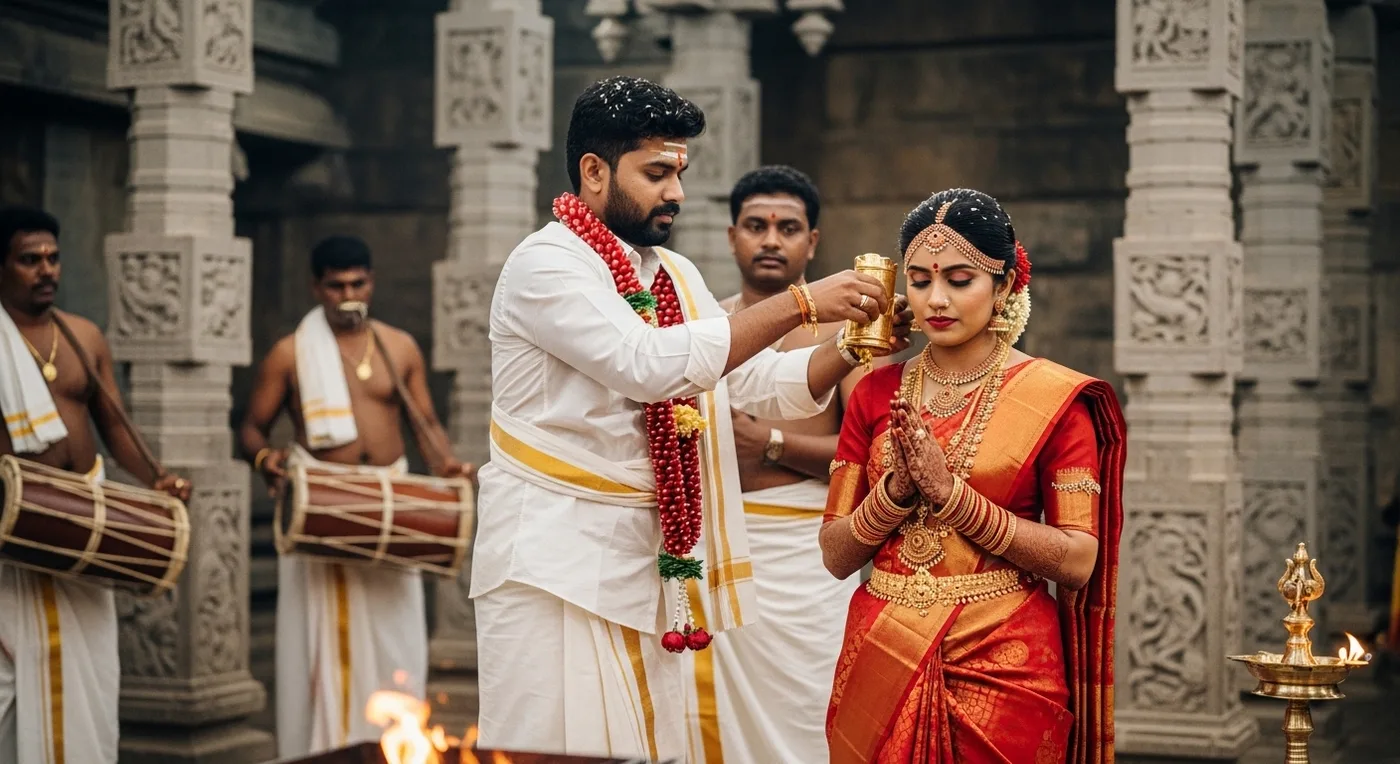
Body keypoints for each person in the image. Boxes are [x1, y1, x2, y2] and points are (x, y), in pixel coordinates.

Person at [472, 76, 910, 761]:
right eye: (656, 172)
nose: (676, 192)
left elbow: (755, 384)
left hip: (646, 564)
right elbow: (647, 363)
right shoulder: (545, 265)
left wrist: (850, 342)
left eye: (679, 171)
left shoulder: (669, 273)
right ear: (593, 171)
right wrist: (801, 304)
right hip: (552, 561)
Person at [819, 188, 1124, 763]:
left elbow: (1079, 561)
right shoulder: (875, 393)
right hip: (881, 648)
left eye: (960, 280)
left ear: (1005, 285)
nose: (937, 299)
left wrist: (952, 498)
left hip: (1004, 658)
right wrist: (896, 492)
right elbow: (835, 555)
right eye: (919, 280)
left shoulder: (1055, 401)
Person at [683, 165, 892, 764]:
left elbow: (876, 456)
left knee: (810, 706)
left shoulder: (849, 336)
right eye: (756, 225)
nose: (771, 239)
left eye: (787, 227)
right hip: (713, 544)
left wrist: (773, 443)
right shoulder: (707, 328)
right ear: (731, 237)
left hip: (806, 559)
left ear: (813, 242)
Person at [237, 235, 474, 758]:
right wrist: (264, 459)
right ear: (316, 287)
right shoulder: (289, 354)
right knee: (321, 643)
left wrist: (446, 466)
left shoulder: (399, 346)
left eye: (358, 283)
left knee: (396, 632)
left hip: (391, 504)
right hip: (323, 506)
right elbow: (252, 427)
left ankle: (400, 745)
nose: (349, 295)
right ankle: (326, 751)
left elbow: (426, 423)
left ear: (372, 281)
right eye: (336, 285)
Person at [0, 204, 192, 764]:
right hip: (17, 534)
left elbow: (115, 427)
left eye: (53, 258)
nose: (46, 270)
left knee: (89, 670)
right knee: (14, 677)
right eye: (29, 260)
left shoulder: (82, 336)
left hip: (88, 524)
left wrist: (157, 478)